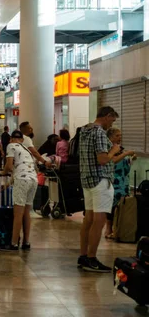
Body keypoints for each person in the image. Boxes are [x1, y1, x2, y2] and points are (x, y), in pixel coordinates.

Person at [78, 106, 120, 273]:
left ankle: (83, 256)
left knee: (88, 220)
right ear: (107, 116)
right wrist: (114, 151)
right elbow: (103, 159)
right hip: (101, 180)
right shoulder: (100, 133)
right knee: (99, 220)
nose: (111, 124)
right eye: (112, 120)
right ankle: (92, 258)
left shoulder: (84, 130)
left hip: (87, 180)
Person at [1, 130, 39, 251]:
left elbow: (9, 165)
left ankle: (13, 243)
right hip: (33, 180)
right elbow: (22, 170)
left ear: (11, 139)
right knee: (26, 212)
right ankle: (26, 242)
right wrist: (8, 184)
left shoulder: (11, 146)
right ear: (22, 140)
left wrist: (3, 173)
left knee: (18, 214)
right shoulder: (26, 149)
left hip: (22, 181)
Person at [104, 127, 136, 240]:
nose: (119, 138)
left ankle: (118, 229)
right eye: (117, 136)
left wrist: (130, 159)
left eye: (120, 135)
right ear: (111, 137)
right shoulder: (107, 149)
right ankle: (108, 228)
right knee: (111, 205)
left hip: (123, 182)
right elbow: (112, 161)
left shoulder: (121, 150)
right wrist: (126, 153)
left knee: (122, 205)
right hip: (112, 181)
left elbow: (125, 166)